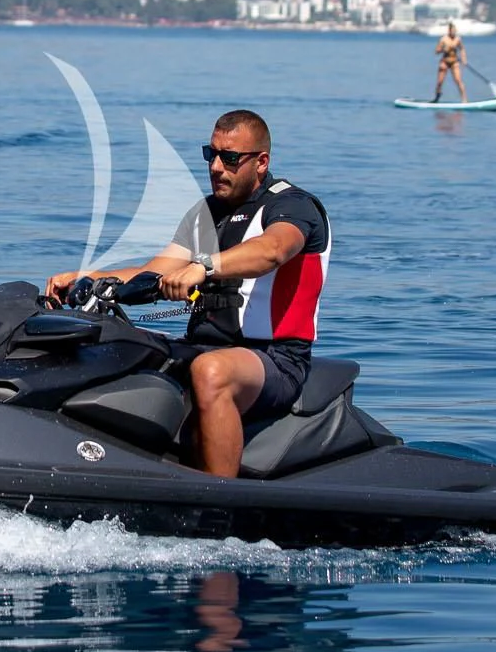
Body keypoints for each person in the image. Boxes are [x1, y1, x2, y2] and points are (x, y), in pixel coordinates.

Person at [46, 110, 331, 479]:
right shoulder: (205, 213)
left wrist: (205, 266)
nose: (215, 167)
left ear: (261, 162)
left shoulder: (293, 207)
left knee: (211, 372)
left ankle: (218, 505)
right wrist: (87, 276)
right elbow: (158, 267)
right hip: (204, 346)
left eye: (229, 158)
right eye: (210, 155)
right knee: (126, 349)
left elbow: (273, 250)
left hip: (275, 359)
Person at [432, 21, 466, 102]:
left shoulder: (458, 39)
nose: (454, 32)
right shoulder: (444, 39)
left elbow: (462, 49)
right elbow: (436, 51)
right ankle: (437, 97)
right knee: (439, 82)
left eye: (455, 31)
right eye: (452, 31)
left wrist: (464, 59)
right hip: (444, 62)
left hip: (454, 62)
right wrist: (443, 49)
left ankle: (464, 100)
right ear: (449, 31)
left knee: (458, 81)